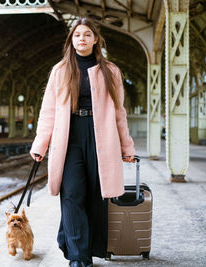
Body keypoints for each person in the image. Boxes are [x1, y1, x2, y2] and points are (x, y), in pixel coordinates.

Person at [30, 17, 135, 267]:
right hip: (69, 137)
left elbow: (120, 112)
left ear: (96, 39)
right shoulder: (60, 70)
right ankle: (79, 258)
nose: (82, 39)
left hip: (102, 136)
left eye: (87, 34)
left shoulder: (111, 71)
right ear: (71, 40)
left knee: (95, 196)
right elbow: (49, 112)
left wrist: (127, 147)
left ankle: (76, 242)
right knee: (72, 193)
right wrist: (40, 145)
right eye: (77, 35)